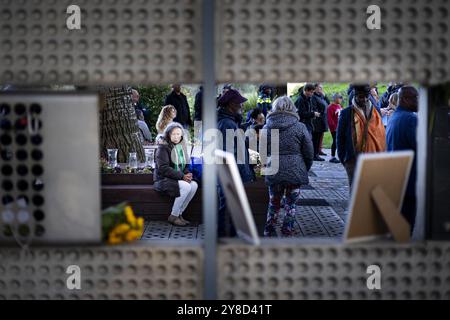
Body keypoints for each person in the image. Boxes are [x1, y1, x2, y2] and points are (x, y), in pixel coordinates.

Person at [262, 96, 314, 237]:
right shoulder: (300, 127)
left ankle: (269, 230)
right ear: (292, 108)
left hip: (274, 169)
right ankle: (287, 230)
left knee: (274, 203)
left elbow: (261, 153)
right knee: (290, 205)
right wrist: (304, 167)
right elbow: (309, 153)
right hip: (295, 171)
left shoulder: (266, 127)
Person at [217, 88, 255, 237]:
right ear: (231, 104)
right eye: (240, 103)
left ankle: (228, 235)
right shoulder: (227, 123)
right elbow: (230, 152)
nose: (242, 106)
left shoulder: (228, 121)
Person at [336, 84, 386, 186]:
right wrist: (345, 159)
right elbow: (340, 138)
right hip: (353, 160)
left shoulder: (375, 112)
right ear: (355, 96)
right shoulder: (347, 113)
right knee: (355, 191)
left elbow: (381, 134)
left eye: (366, 97)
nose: (363, 99)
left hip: (374, 159)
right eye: (360, 97)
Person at [386, 86, 419, 234]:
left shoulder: (395, 117)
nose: (419, 101)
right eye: (416, 98)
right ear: (405, 99)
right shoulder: (410, 119)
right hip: (409, 180)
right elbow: (422, 148)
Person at [153, 122, 198, 227]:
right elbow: (163, 168)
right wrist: (182, 176)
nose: (176, 136)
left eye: (178, 134)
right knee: (186, 186)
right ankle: (173, 216)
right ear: (168, 134)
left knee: (194, 185)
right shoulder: (163, 147)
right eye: (173, 134)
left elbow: (186, 165)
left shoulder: (182, 147)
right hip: (163, 179)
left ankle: (179, 214)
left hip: (177, 178)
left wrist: (187, 173)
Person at [311, 84, 329, 161]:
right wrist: (320, 113)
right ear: (315, 89)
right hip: (317, 120)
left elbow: (328, 103)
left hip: (322, 119)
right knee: (316, 138)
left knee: (319, 138)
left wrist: (325, 96)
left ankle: (317, 153)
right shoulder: (313, 97)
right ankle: (315, 155)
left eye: (322, 87)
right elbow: (314, 108)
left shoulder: (320, 96)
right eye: (320, 88)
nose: (321, 89)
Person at [327, 93, 343, 164]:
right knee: (335, 141)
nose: (341, 99)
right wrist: (334, 127)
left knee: (339, 142)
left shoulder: (339, 106)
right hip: (335, 128)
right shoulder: (330, 107)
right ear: (336, 98)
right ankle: (332, 157)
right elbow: (330, 119)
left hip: (340, 127)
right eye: (340, 98)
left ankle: (340, 156)